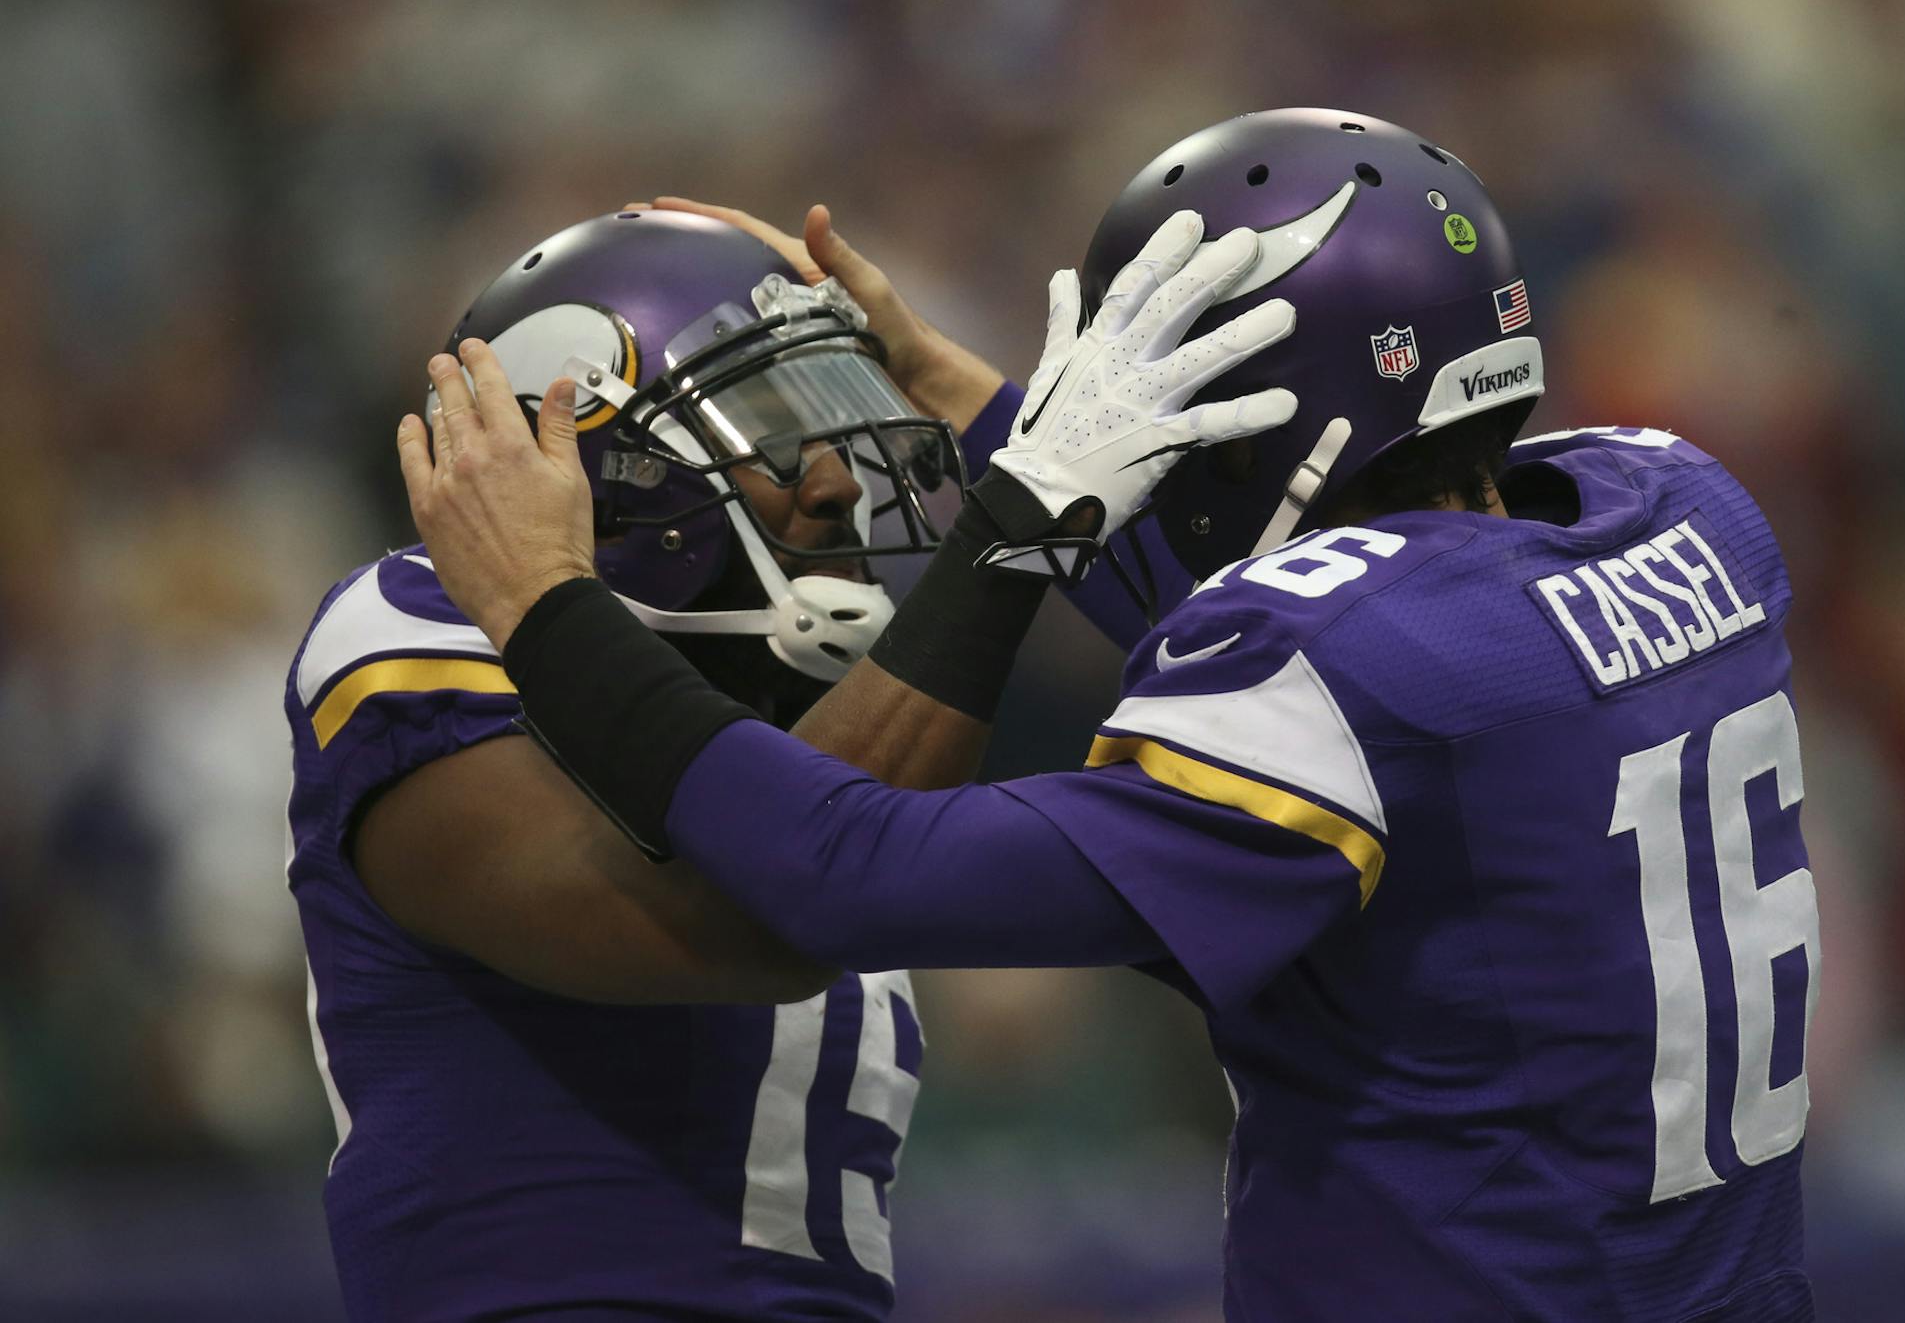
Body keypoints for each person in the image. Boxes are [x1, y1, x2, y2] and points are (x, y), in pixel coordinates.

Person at [405, 108, 1821, 1322]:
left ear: (1261, 414)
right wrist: (968, 397)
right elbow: (1415, 646)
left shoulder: (1338, 670)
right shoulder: (1680, 509)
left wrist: (546, 604)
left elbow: (841, 875)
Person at [287, 203, 1293, 1321]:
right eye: (774, 423)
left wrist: (1007, 438)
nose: (836, 481)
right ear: (603, 467)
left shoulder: (796, 730)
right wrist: (1024, 517)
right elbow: (772, 897)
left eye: (839, 422)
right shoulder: (422, 630)